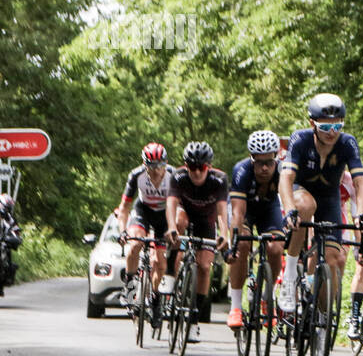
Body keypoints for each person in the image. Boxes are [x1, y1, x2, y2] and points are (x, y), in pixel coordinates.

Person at [277, 93, 363, 314]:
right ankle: (290, 277)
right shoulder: (300, 139)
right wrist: (290, 209)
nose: (332, 133)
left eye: (337, 127)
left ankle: (320, 316)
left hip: (329, 197)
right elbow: (286, 178)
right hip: (300, 191)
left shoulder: (347, 142)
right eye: (326, 127)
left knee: (331, 258)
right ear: (312, 124)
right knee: (305, 206)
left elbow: (360, 184)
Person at [164, 141, 230, 342]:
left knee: (204, 266)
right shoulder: (178, 176)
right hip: (185, 213)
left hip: (206, 220)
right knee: (179, 221)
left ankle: (193, 319)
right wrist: (171, 228)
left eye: (201, 168)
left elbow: (221, 213)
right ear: (186, 165)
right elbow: (171, 204)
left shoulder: (219, 180)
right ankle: (169, 274)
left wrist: (224, 234)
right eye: (192, 167)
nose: (196, 173)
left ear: (208, 167)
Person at [226, 130, 285, 330]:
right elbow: (237, 214)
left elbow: (289, 205)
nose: (264, 168)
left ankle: (268, 295)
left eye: (269, 161)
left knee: (276, 248)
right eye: (259, 162)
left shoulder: (282, 171)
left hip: (269, 209)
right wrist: (233, 244)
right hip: (245, 210)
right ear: (252, 159)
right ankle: (235, 307)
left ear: (276, 158)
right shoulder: (242, 171)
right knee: (243, 243)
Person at [117, 143, 172, 315]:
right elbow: (124, 207)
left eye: (160, 165)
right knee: (134, 245)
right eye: (151, 165)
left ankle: (155, 296)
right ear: (144, 164)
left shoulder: (174, 175)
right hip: (143, 211)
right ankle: (130, 284)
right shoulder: (136, 175)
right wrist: (123, 231)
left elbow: (179, 205)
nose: (156, 170)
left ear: (166, 163)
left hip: (164, 215)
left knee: (160, 262)